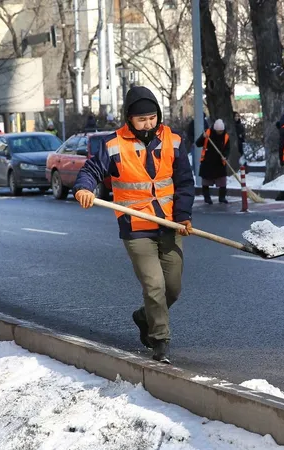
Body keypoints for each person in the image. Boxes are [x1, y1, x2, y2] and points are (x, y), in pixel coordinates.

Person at [72, 86, 194, 364]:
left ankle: (144, 316)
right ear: (129, 119)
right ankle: (159, 341)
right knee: (154, 286)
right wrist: (84, 188)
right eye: (142, 120)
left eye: (152, 118)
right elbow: (91, 171)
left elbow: (185, 183)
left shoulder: (173, 141)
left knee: (172, 289)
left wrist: (183, 216)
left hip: (169, 224)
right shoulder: (114, 145)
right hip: (136, 227)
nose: (148, 124)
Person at [195, 119, 230, 204]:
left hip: (220, 163)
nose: (220, 133)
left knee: (222, 182)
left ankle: (222, 197)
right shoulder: (208, 133)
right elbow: (198, 143)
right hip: (207, 161)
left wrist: (225, 156)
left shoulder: (225, 136)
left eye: (221, 131)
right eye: (218, 131)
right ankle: (207, 198)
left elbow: (227, 148)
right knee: (206, 182)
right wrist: (203, 137)